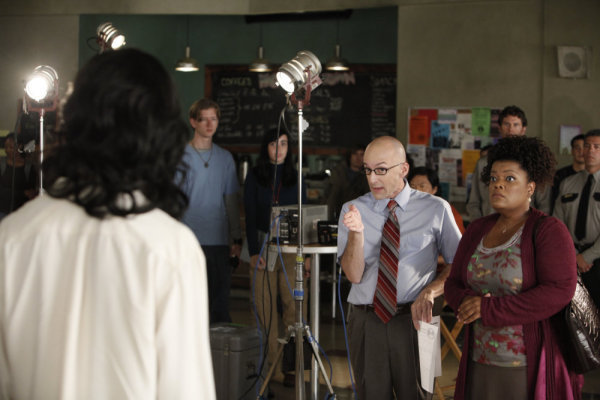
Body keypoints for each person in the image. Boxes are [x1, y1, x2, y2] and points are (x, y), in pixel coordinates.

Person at [0, 48, 215, 399]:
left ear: (72, 121)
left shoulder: (12, 237)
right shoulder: (169, 247)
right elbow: (185, 389)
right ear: (158, 134)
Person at [445, 135, 581, 400]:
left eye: (509, 179)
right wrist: (466, 302)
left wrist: (488, 308)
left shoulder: (548, 231)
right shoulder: (477, 230)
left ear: (531, 187)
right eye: (494, 178)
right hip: (477, 357)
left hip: (524, 362)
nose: (498, 185)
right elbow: (453, 282)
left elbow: (559, 291)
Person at [337, 135, 461, 399]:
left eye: (381, 170)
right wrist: (356, 234)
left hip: (416, 317)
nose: (372, 179)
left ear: (403, 169)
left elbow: (460, 264)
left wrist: (431, 291)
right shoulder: (353, 208)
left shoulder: (436, 209)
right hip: (366, 317)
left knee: (419, 393)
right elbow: (353, 274)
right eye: (368, 170)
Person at [244, 129, 309, 383]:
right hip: (262, 248)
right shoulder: (255, 176)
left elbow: (305, 219)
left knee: (294, 309)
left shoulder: (296, 177)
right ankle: (271, 369)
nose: (279, 149)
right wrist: (251, 252)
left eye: (283, 144)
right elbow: (249, 216)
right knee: (264, 310)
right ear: (266, 147)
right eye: (274, 144)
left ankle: (294, 368)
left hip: (292, 251)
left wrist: (307, 257)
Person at [180, 98, 242, 323]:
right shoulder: (180, 156)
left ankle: (219, 357)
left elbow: (231, 201)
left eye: (213, 119)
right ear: (193, 122)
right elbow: (174, 202)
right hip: (188, 239)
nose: (209, 124)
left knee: (219, 307)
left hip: (218, 241)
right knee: (188, 305)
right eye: (203, 119)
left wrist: (236, 238)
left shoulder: (225, 158)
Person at [466, 105, 550, 219]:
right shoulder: (484, 163)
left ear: (523, 129)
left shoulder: (533, 162)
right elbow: (473, 203)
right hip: (490, 229)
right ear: (500, 128)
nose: (511, 129)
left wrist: (534, 230)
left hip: (524, 228)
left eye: (515, 124)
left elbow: (544, 205)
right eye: (506, 124)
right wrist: (481, 228)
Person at [554, 129, 600, 308]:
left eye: (597, 147)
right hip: (571, 258)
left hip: (596, 257)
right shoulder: (568, 183)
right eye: (587, 146)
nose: (590, 151)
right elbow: (558, 222)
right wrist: (573, 255)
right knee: (574, 315)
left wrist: (587, 256)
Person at [409, 166, 465, 233]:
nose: (416, 190)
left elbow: (459, 240)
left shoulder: (446, 210)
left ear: (434, 189)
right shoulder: (404, 208)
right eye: (412, 186)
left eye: (422, 186)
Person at [326, 144, 369, 220]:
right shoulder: (338, 173)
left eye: (361, 154)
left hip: (361, 218)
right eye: (355, 154)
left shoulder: (369, 175)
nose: (358, 158)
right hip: (339, 216)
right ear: (349, 156)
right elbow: (331, 198)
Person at [0, 133, 35, 218]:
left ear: (20, 147)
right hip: (2, 211)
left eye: (11, 147)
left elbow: (32, 192)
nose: (8, 150)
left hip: (22, 213)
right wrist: (22, 193)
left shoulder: (29, 167)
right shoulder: (1, 164)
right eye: (6, 147)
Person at [551, 133, 585, 213]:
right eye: (577, 148)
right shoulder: (559, 175)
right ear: (572, 151)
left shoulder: (593, 177)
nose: (581, 151)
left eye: (584, 147)